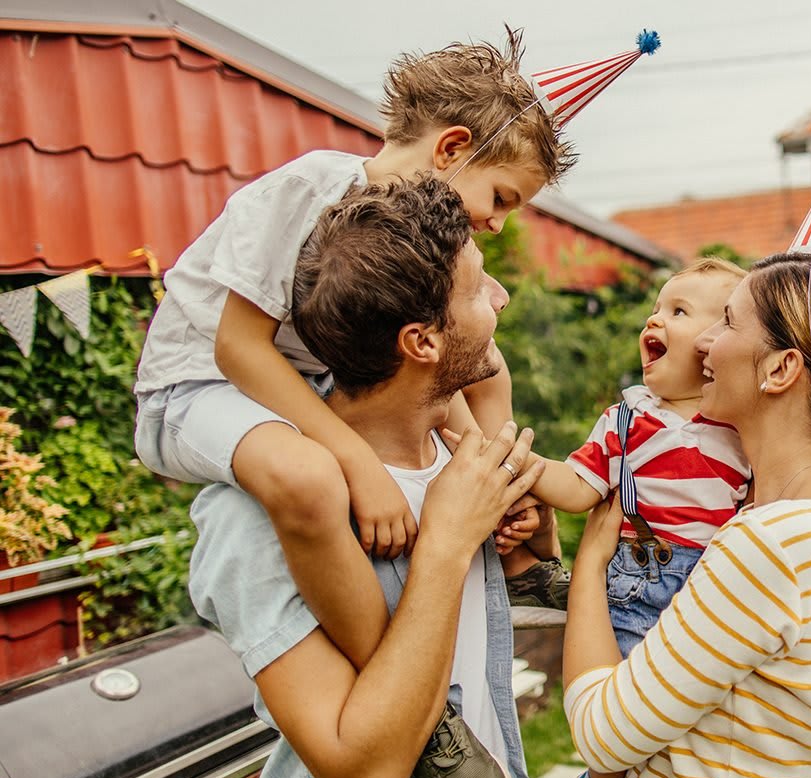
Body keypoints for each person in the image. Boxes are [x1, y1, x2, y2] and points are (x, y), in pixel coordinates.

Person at [136, 29, 576, 682]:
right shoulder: (313, 188)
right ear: (452, 149)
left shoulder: (409, 240)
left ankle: (516, 543)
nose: (497, 223)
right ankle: (391, 680)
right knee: (309, 477)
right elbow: (237, 348)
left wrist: (477, 454)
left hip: (310, 385)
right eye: (501, 198)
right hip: (196, 390)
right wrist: (356, 465)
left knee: (482, 361)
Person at [188, 177, 546, 778]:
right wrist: (445, 543)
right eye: (479, 287)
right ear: (423, 341)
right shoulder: (262, 513)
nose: (502, 297)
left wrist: (530, 535)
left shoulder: (459, 457)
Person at [560, 250, 811, 778]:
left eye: (726, 321)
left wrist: (589, 564)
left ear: (779, 369)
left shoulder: (770, 546)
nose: (703, 344)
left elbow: (601, 738)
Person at [514, 258, 750, 778]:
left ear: (718, 342)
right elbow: (578, 488)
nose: (654, 321)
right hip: (638, 586)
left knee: (691, 723)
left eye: (678, 311)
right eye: (655, 310)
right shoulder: (627, 420)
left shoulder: (738, 425)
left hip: (709, 592)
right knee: (622, 720)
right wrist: (519, 465)